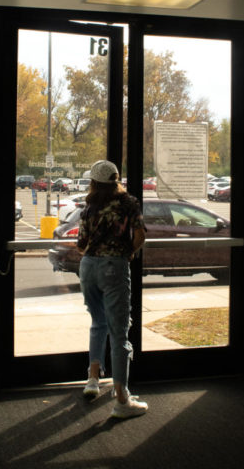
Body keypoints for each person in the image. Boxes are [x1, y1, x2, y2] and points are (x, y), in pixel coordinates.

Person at [77, 160, 148, 418]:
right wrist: (127, 252)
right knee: (119, 333)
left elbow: (81, 242)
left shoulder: (89, 206)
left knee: (98, 323)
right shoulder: (128, 203)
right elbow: (140, 236)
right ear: (116, 180)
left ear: (94, 181)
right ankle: (121, 400)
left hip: (88, 267)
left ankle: (93, 380)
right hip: (113, 267)